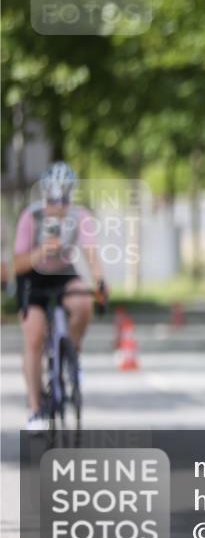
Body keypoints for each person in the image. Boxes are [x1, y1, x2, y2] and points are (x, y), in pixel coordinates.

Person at [13, 162, 107, 433]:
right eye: (53, 199)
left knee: (83, 301)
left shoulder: (80, 217)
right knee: (34, 335)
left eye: (64, 198)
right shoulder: (31, 217)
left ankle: (72, 354)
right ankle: (34, 408)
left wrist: (99, 282)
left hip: (63, 273)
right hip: (32, 276)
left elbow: (90, 253)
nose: (59, 205)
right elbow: (17, 264)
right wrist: (40, 252)